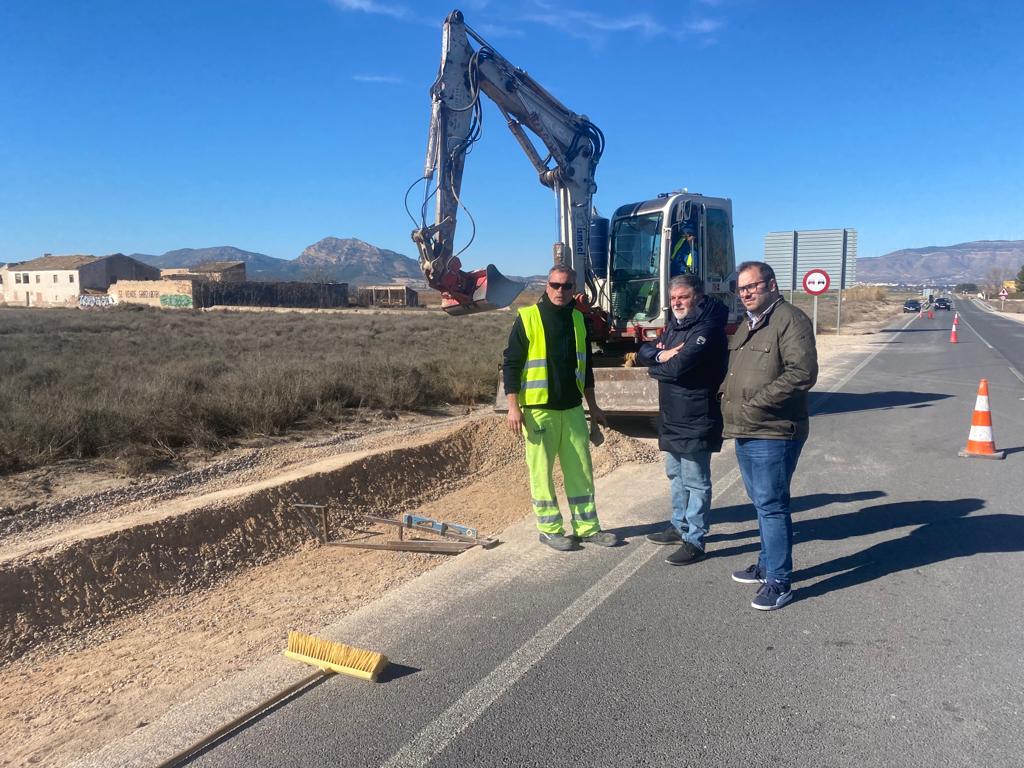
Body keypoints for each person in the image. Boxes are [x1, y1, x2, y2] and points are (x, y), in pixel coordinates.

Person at [719, 261, 818, 610]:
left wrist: (756, 405)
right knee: (761, 503)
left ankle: (780, 581)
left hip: (774, 429)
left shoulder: (790, 320)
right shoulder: (749, 325)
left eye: (752, 286)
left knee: (773, 505)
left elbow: (802, 373)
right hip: (746, 427)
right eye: (741, 288)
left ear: (771, 285)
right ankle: (765, 564)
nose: (745, 293)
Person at [503, 266, 618, 551]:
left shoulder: (578, 319)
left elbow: (586, 367)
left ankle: (587, 528)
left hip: (572, 409)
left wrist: (594, 406)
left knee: (580, 470)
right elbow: (512, 364)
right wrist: (513, 407)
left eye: (566, 286)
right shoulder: (528, 318)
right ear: (546, 285)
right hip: (539, 410)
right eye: (555, 285)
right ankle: (550, 529)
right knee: (541, 472)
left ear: (573, 288)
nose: (560, 291)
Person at [637, 274, 728, 565]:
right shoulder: (677, 326)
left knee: (696, 481)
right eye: (673, 298)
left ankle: (695, 539)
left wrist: (659, 364)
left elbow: (679, 369)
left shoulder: (708, 328)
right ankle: (679, 526)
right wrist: (662, 356)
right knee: (675, 475)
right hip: (673, 415)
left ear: (698, 297)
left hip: (696, 415)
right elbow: (644, 352)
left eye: (683, 297)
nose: (677, 302)